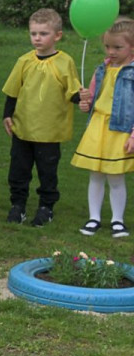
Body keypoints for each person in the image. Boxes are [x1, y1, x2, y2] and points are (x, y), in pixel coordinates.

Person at [2, 8, 80, 227]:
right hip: (23, 127)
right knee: (18, 170)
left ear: (57, 36)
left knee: (47, 172)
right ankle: (18, 205)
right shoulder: (24, 61)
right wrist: (7, 114)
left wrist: (82, 98)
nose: (37, 38)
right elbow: (13, 91)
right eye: (33, 33)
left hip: (49, 130)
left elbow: (72, 91)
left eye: (43, 33)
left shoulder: (65, 62)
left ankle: (46, 206)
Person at [71, 19, 134, 237]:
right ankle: (94, 218)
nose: (112, 51)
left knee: (115, 176)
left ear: (132, 47)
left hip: (120, 129)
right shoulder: (102, 68)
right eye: (108, 46)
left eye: (118, 47)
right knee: (96, 175)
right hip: (98, 126)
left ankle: (117, 220)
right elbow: (91, 97)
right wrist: (85, 103)